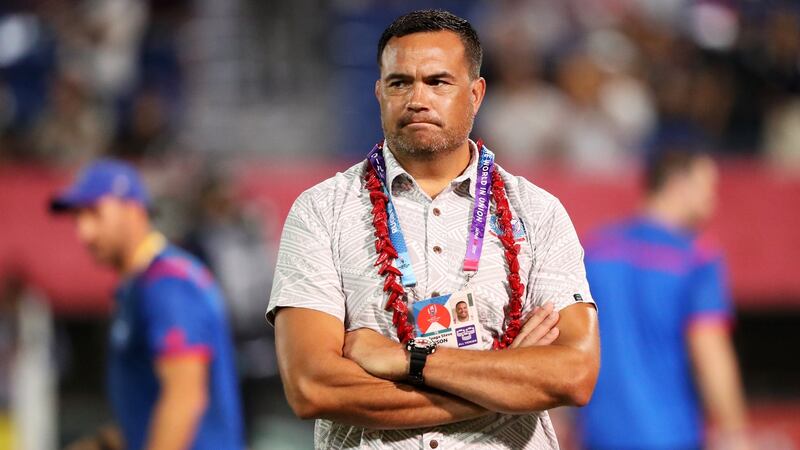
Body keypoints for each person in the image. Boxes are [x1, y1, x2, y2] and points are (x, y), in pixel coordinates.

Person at [268, 9, 599, 449]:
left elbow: (573, 375)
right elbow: (312, 386)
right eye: (399, 82)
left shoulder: (538, 212)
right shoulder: (320, 211)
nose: (417, 98)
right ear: (379, 93)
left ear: (476, 94)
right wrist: (503, 383)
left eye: (438, 81)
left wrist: (408, 360)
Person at [50, 159, 244, 450]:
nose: (84, 233)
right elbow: (152, 405)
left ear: (133, 211)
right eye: (78, 218)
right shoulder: (139, 287)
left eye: (94, 213)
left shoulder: (168, 285)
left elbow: (184, 399)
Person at [578, 148, 752, 449]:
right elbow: (710, 349)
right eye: (707, 188)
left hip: (599, 436)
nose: (713, 200)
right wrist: (734, 432)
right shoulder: (696, 258)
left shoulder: (592, 251)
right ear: (678, 185)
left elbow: (568, 343)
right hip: (672, 435)